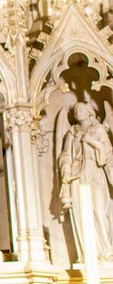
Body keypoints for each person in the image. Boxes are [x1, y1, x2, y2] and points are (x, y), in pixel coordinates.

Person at [58, 101, 113, 262]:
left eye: (81, 109)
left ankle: (106, 252)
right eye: (75, 110)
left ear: (90, 112)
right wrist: (66, 169)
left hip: (95, 174)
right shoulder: (72, 132)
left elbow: (107, 151)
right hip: (76, 176)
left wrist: (91, 141)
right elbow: (65, 154)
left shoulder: (99, 129)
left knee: (99, 211)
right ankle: (87, 254)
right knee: (81, 214)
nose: (77, 112)